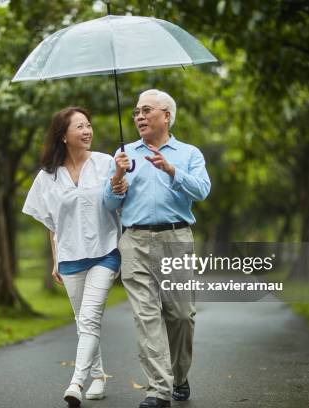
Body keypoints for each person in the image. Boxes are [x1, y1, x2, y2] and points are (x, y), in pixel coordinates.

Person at [103, 89, 211, 408]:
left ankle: (179, 376)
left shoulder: (189, 153)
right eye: (136, 111)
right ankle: (158, 389)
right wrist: (117, 177)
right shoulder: (124, 154)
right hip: (134, 241)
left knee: (181, 315)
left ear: (166, 115)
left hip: (175, 239)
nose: (138, 116)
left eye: (146, 110)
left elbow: (202, 190)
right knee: (146, 314)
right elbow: (109, 203)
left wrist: (171, 171)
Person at [22, 107, 128, 407]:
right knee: (84, 322)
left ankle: (76, 382)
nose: (87, 131)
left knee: (91, 316)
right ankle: (97, 375)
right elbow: (51, 225)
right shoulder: (48, 177)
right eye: (80, 126)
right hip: (70, 258)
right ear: (63, 136)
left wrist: (120, 178)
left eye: (89, 125)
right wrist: (56, 259)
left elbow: (118, 200)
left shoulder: (106, 162)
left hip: (105, 251)